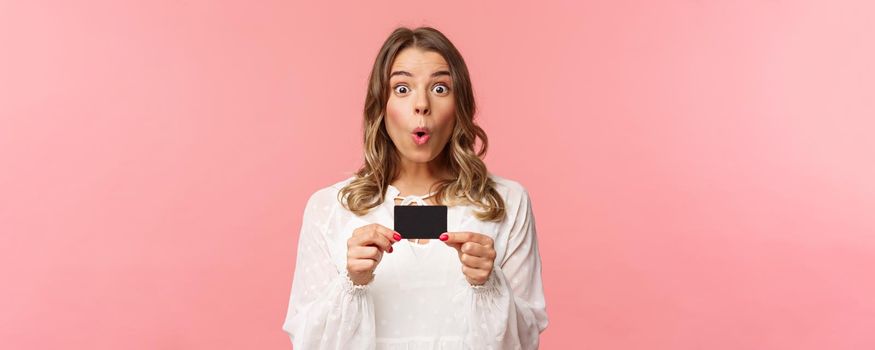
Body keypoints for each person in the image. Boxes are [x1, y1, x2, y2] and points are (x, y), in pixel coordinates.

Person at [282, 26, 548, 349]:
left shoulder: (507, 203)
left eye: (439, 88)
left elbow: (526, 342)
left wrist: (489, 285)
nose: (421, 104)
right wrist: (351, 283)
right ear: (381, 105)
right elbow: (307, 343)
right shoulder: (329, 209)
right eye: (402, 88)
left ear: (459, 104)